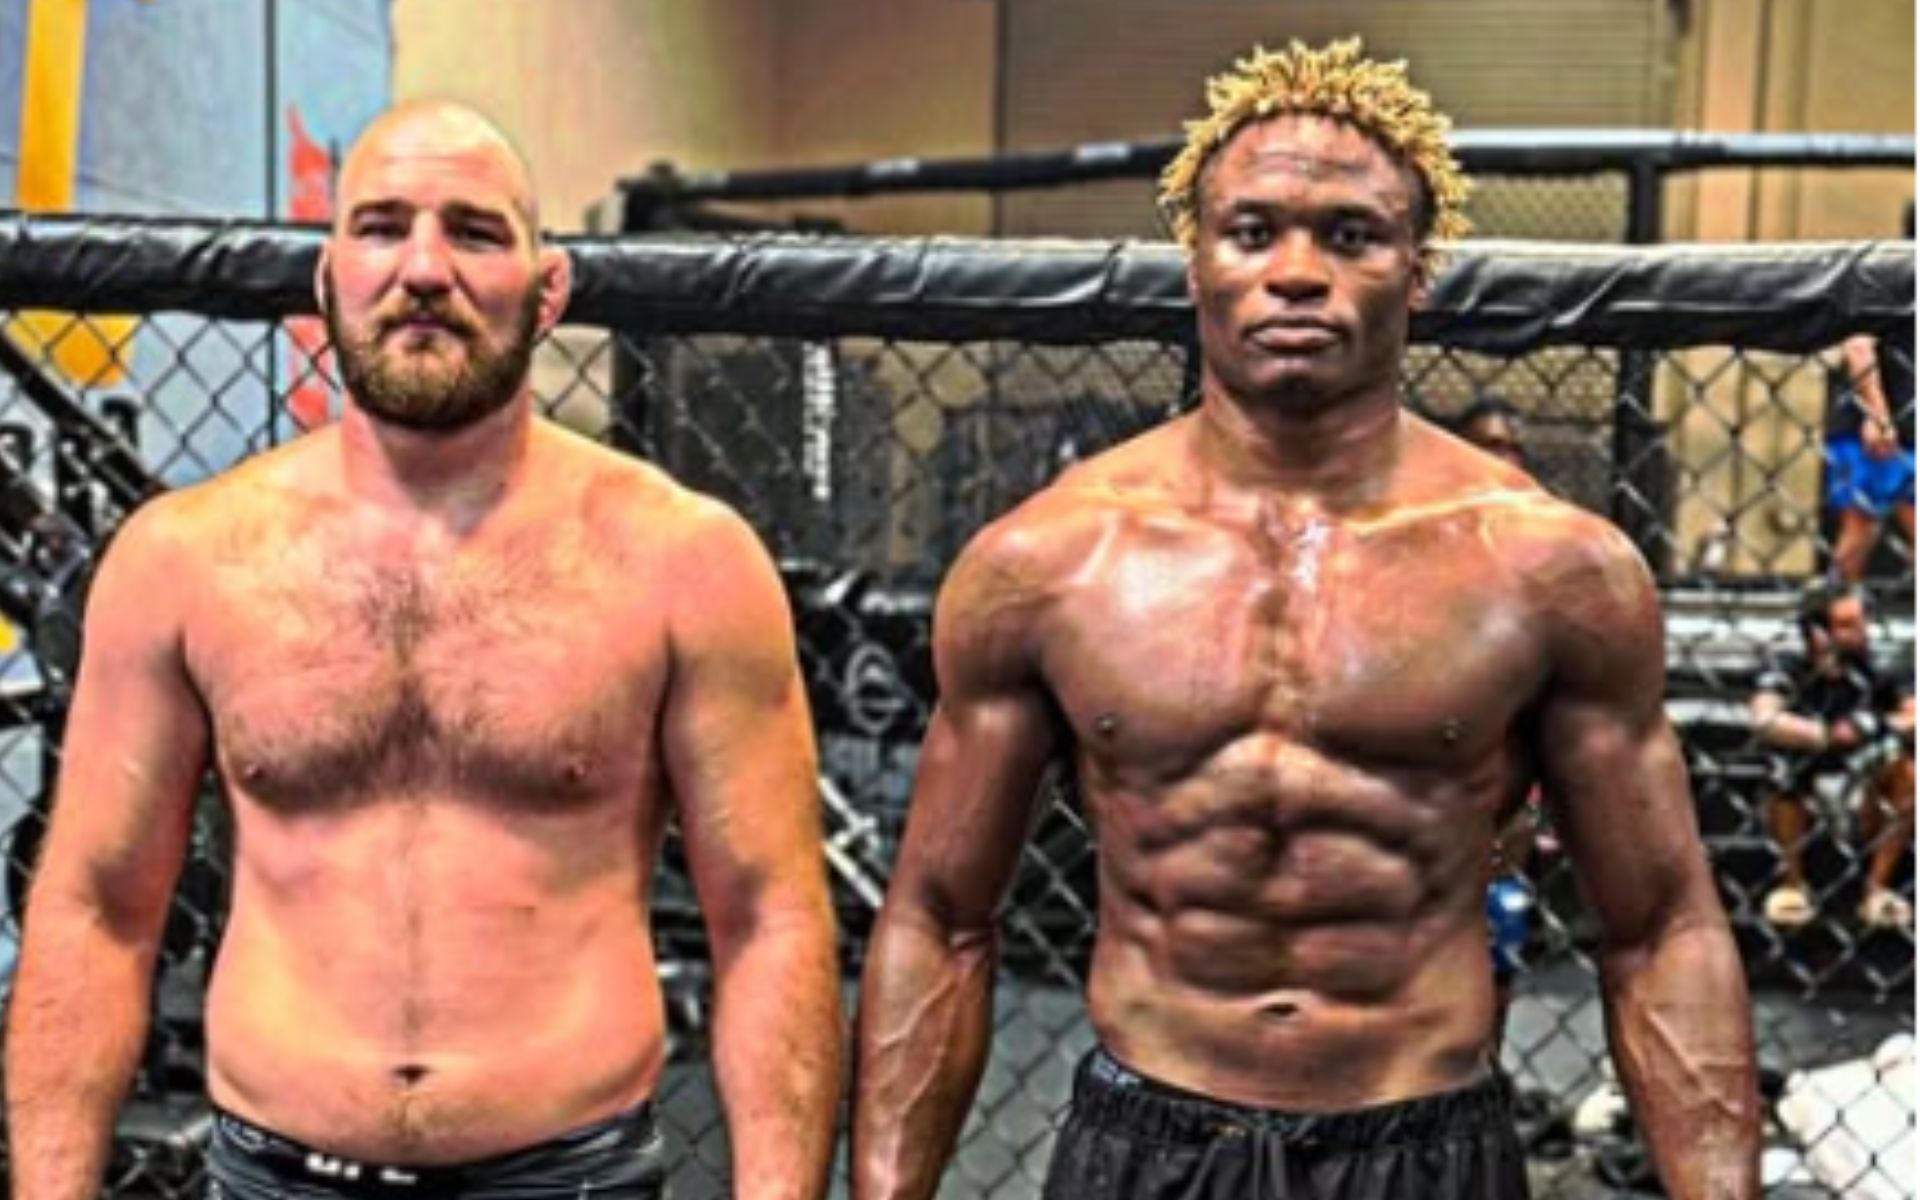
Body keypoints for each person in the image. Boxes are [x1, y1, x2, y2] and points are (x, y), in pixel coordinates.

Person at [853, 40, 1758, 1200]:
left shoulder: (1549, 568)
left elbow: (1663, 927)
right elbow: (938, 919)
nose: (1296, 272)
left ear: (1417, 271)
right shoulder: (1048, 563)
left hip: (1422, 1149)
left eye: (1350, 235)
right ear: (1196, 262)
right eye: (1252, 231)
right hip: (1147, 1148)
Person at [5, 101, 844, 1200]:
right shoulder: (185, 561)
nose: (424, 268)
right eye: (381, 226)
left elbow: (771, 918)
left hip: (568, 1179)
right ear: (328, 278)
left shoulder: (685, 563)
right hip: (274, 1178)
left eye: (477, 233)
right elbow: (95, 911)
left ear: (549, 289)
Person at [1751, 583, 1915, 930]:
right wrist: (1825, 736)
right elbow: (1765, 719)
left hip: (1865, 770)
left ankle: (1876, 891)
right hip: (1808, 765)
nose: (1861, 632)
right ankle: (1792, 885)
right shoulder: (1788, 664)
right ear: (1817, 633)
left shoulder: (1876, 664)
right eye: (1847, 625)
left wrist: (1873, 725)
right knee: (1781, 766)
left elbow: (1913, 714)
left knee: (1909, 772)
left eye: (1861, 622)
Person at [1824, 333, 1914, 585]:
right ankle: (1839, 602)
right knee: (1860, 527)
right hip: (1865, 433)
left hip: (1908, 432)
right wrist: (1876, 414)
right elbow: (1858, 346)